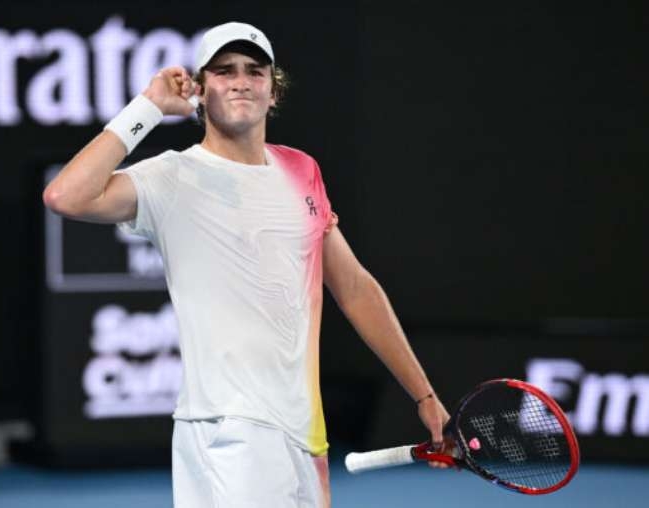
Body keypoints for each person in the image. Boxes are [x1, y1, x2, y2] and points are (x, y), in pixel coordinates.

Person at [43, 20, 450, 508]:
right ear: (200, 89)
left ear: (272, 91)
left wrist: (424, 395)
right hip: (230, 430)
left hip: (303, 434)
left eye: (255, 71)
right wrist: (147, 108)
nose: (240, 81)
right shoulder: (173, 175)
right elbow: (65, 196)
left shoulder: (302, 169)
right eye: (224, 71)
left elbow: (356, 289)